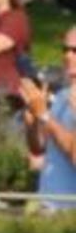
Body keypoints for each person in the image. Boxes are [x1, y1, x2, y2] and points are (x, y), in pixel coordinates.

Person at [21, 25, 76, 209]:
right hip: (49, 206)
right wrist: (33, 119)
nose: (68, 56)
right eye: (65, 49)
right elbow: (39, 148)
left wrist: (45, 116)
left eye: (75, 50)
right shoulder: (62, 95)